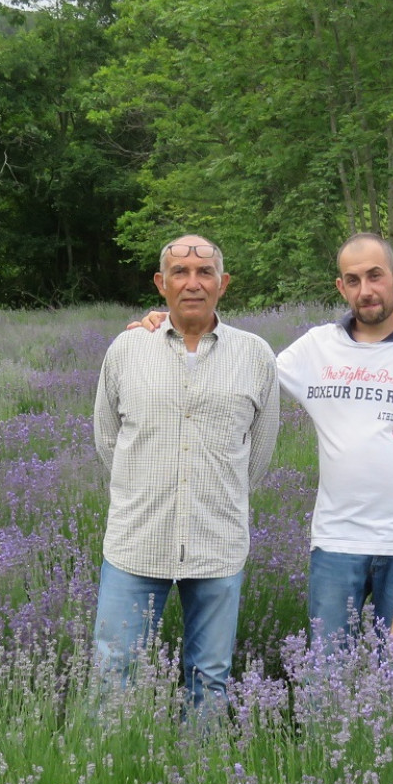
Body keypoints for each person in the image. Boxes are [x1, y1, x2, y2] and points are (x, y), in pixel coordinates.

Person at [133, 234, 393, 643]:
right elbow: (242, 368)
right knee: (327, 665)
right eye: (353, 280)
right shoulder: (317, 347)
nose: (365, 290)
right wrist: (170, 325)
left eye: (375, 276)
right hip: (335, 543)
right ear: (340, 287)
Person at [92, 235, 280, 705]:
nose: (192, 283)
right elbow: (108, 439)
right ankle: (113, 752)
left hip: (217, 543)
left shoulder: (255, 355)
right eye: (180, 272)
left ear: (223, 283)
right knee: (114, 671)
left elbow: (259, 452)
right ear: (162, 283)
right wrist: (144, 487)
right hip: (137, 541)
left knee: (210, 676)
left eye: (204, 272)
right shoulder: (127, 349)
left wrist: (217, 491)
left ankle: (201, 754)